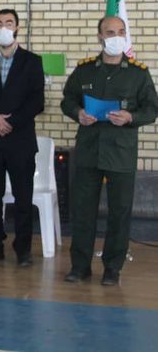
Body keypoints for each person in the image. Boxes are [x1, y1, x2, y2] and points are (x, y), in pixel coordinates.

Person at [61, 16, 158, 286]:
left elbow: (152, 109)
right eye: (110, 32)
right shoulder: (85, 70)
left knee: (120, 212)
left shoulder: (138, 73)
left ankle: (112, 268)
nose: (116, 36)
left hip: (120, 153)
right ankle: (80, 266)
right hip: (89, 151)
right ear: (100, 37)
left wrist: (130, 117)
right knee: (83, 211)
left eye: (121, 31)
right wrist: (78, 113)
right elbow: (67, 100)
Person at [0, 8, 45, 267]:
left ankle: (23, 250)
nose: (4, 27)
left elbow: (37, 100)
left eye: (9, 23)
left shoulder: (32, 61)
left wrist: (10, 122)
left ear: (17, 28)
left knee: (23, 197)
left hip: (20, 141)